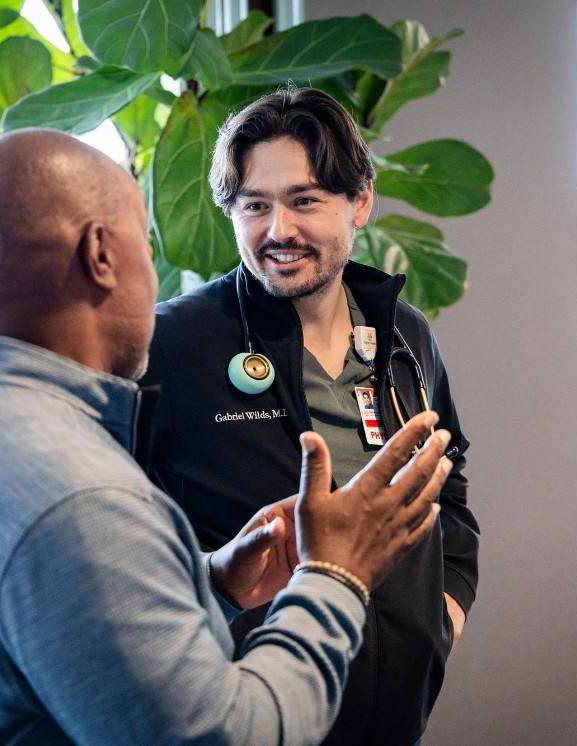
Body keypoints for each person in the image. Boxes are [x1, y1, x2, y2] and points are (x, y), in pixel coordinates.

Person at [0, 128, 454, 744]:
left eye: (305, 201)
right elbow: (231, 736)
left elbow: (77, 626)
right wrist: (334, 576)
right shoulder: (82, 493)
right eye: (146, 246)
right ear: (101, 255)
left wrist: (208, 583)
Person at [140, 87, 479, 745]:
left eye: (304, 201)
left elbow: (450, 477)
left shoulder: (403, 334)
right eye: (254, 206)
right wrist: (220, 588)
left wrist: (445, 607)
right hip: (246, 713)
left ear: (359, 202)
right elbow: (122, 543)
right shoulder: (172, 347)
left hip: (394, 711)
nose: (278, 231)